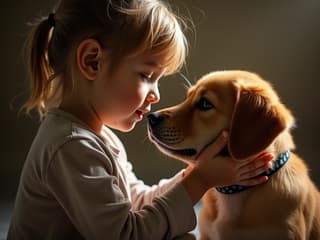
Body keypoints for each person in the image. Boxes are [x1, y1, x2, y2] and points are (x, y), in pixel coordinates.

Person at [8, 0, 273, 239]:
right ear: (92, 62)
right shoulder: (69, 146)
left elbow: (139, 202)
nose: (156, 95)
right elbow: (126, 234)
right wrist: (200, 180)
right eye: (147, 76)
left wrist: (197, 173)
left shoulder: (98, 136)